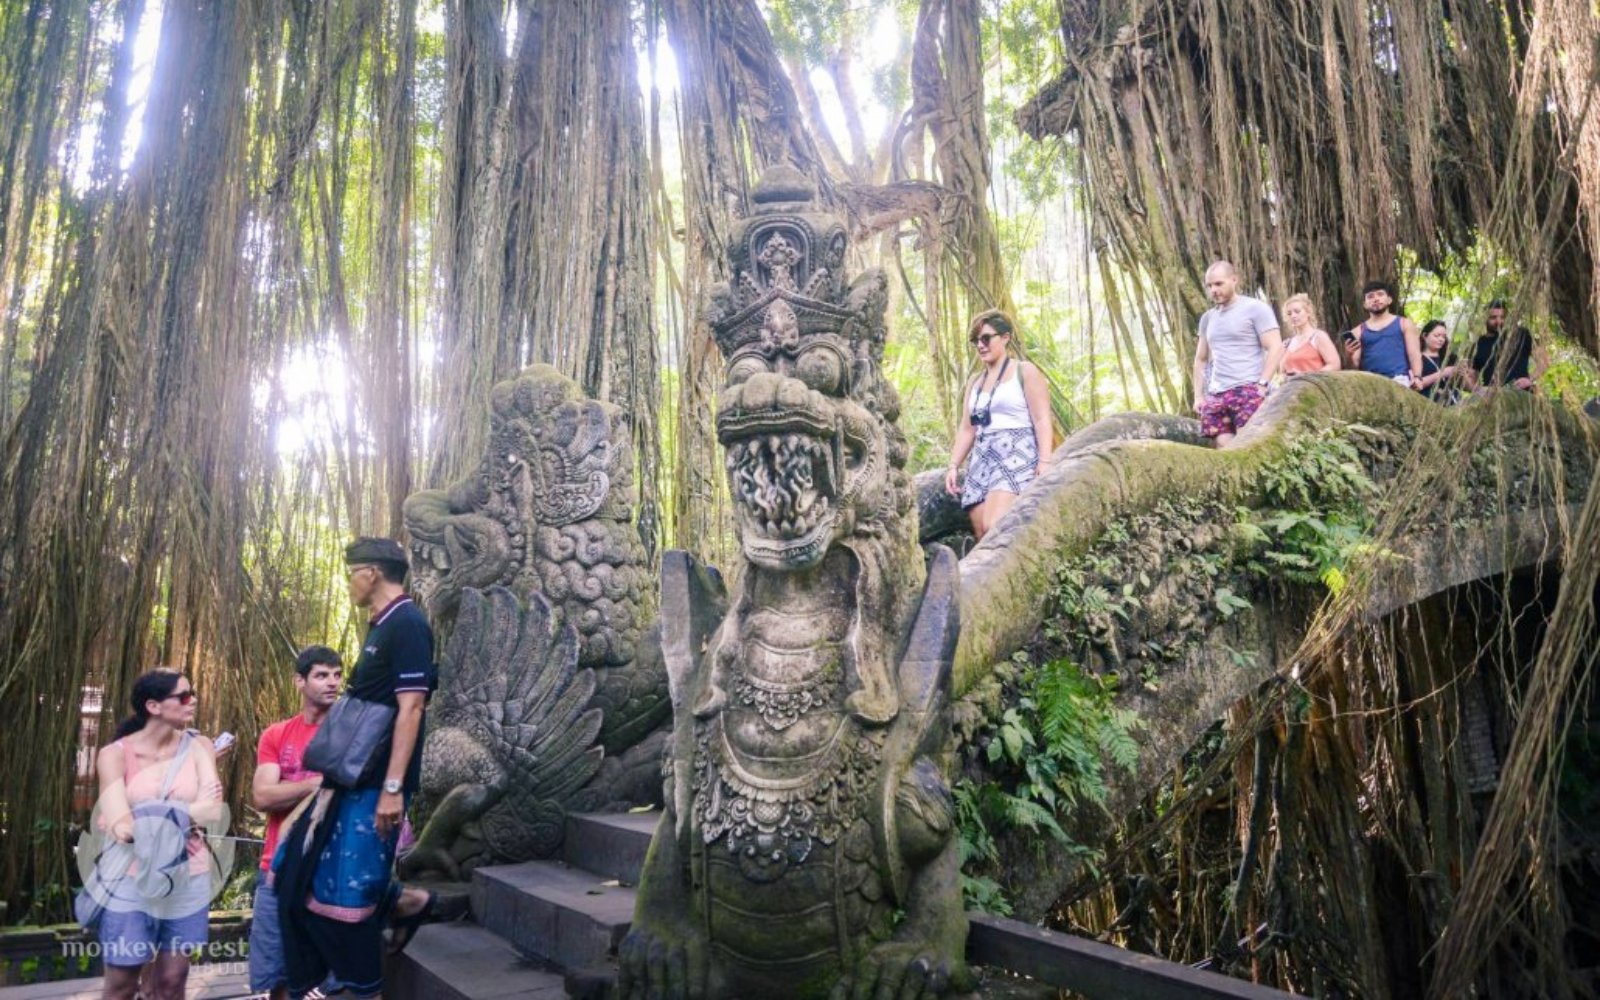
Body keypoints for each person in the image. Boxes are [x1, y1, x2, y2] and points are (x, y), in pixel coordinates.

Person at [277, 538, 438, 1000]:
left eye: (352, 573)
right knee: (298, 871)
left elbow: (411, 710)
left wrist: (392, 789)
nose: (349, 583)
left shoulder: (406, 624)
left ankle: (362, 988)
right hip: (348, 778)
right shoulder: (381, 624)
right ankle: (407, 902)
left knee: (347, 898)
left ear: (370, 573)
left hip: (375, 784)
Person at [94, 670, 223, 1000]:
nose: (191, 700)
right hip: (130, 877)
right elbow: (120, 825)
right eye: (182, 696)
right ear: (153, 705)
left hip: (189, 874)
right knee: (122, 983)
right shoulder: (114, 755)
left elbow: (212, 811)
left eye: (191, 693)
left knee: (171, 981)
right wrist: (182, 813)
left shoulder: (200, 746)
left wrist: (146, 816)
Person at [248, 646, 342, 1000]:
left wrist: (287, 789)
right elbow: (262, 797)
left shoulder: (351, 733)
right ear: (299, 682)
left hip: (332, 868)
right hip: (278, 865)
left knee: (338, 976)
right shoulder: (277, 735)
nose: (332, 682)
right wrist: (318, 784)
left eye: (336, 675)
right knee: (278, 976)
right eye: (321, 675)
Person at [944, 309, 1054, 540]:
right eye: (976, 341)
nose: (980, 345)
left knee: (995, 526)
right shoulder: (975, 382)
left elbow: (1042, 419)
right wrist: (954, 465)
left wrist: (1045, 461)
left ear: (1005, 338)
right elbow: (967, 428)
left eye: (986, 338)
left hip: (1014, 452)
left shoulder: (1024, 371)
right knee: (982, 533)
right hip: (982, 457)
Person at [1190, 260, 1283, 445]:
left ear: (1234, 280)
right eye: (1209, 286)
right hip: (1217, 393)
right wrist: (1198, 396)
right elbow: (1200, 359)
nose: (1213, 290)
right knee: (1224, 448)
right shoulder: (1208, 318)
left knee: (1248, 445)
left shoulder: (1255, 309)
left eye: (1218, 284)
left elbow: (1276, 346)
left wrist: (1263, 384)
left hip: (1247, 388)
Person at [1344, 280, 1421, 385]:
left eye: (1380, 294)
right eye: (1370, 296)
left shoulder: (1404, 323)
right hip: (1370, 384)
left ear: (1389, 300)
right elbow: (1353, 367)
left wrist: (1417, 377)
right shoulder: (1358, 331)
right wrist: (1348, 355)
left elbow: (1414, 354)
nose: (1376, 299)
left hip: (1400, 380)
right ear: (1365, 304)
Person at [1467, 299, 1548, 391]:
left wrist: (1529, 379)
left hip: (1522, 395)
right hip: (1492, 399)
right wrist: (1480, 391)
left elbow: (1544, 361)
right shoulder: (1478, 344)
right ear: (1485, 318)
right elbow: (1472, 376)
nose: (1498, 321)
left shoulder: (1521, 334)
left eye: (1502, 317)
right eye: (1493, 317)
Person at [1276, 293, 1341, 378]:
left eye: (1297, 311)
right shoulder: (1287, 344)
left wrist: (1306, 377)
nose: (1293, 316)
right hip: (1292, 389)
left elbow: (1335, 365)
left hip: (1314, 388)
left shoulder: (1318, 336)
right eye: (1289, 314)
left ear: (1308, 312)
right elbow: (1281, 372)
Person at [1415, 320, 1461, 403]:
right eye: (1437, 336)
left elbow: (1458, 383)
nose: (1441, 339)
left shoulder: (1451, 358)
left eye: (1443, 337)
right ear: (1425, 336)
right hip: (1428, 403)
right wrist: (1443, 373)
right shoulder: (1416, 358)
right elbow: (1416, 384)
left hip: (1454, 402)